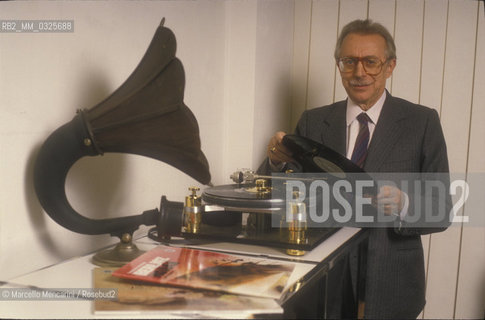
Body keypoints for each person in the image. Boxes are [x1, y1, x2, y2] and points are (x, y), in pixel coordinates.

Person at [260, 19, 450, 319]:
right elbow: (281, 195)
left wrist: (405, 204)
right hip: (321, 281)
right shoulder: (312, 121)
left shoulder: (422, 122)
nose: (359, 72)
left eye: (371, 62)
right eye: (349, 61)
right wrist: (275, 161)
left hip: (392, 283)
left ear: (390, 67)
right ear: (339, 66)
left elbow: (442, 208)